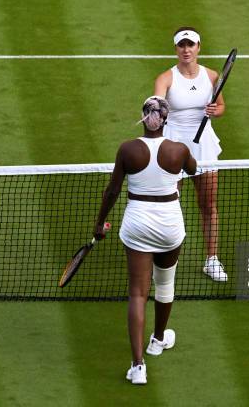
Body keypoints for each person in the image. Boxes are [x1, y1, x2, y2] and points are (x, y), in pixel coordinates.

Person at [93, 96, 197, 385]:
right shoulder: (179, 150)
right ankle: (158, 339)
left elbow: (112, 190)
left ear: (143, 117)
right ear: (166, 119)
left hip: (137, 225)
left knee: (137, 293)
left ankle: (138, 367)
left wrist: (99, 223)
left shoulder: (128, 149)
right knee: (165, 284)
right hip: (169, 226)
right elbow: (191, 168)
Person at [154, 26, 228, 282]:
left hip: (204, 145)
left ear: (198, 47)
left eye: (191, 45)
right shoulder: (165, 78)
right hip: (174, 146)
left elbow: (221, 106)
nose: (186, 50)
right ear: (176, 49)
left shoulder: (210, 76)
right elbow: (157, 105)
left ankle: (211, 260)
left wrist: (214, 111)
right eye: (181, 45)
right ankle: (165, 262)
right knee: (168, 205)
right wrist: (156, 112)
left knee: (208, 205)